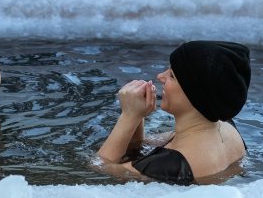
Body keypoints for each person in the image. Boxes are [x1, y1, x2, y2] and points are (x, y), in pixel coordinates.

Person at [96, 41, 251, 184]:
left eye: (172, 75)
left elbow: (101, 167)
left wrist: (128, 116)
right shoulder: (227, 127)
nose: (160, 76)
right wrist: (138, 115)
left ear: (194, 93)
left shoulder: (173, 164)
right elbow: (141, 147)